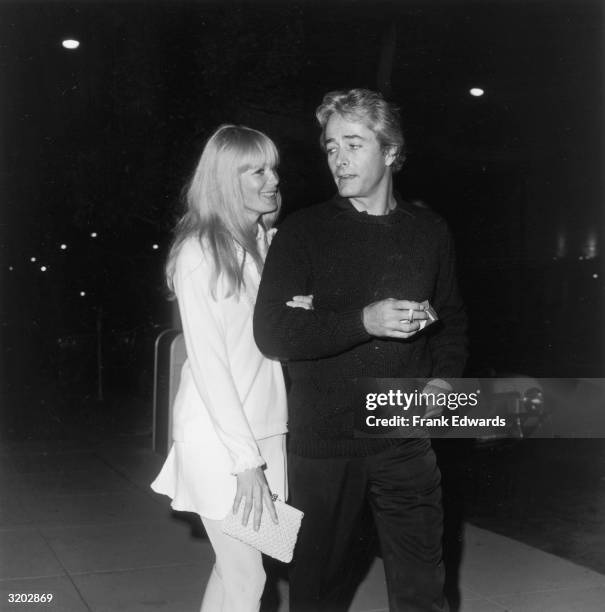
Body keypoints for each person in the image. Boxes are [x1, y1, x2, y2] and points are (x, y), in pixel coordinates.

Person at [253, 89, 468, 611]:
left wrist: (443, 381)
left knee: (423, 587)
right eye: (331, 147)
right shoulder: (304, 231)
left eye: (353, 144)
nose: (339, 160)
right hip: (322, 442)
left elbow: (453, 321)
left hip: (402, 433)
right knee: (316, 591)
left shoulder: (429, 231)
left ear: (390, 152)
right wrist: (364, 320)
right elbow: (273, 333)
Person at [152, 124, 295, 612]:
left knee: (236, 569)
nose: (273, 179)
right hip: (225, 443)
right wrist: (245, 461)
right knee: (247, 578)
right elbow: (211, 364)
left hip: (265, 431)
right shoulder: (199, 251)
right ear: (227, 180)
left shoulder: (255, 247)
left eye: (273, 167)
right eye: (258, 170)